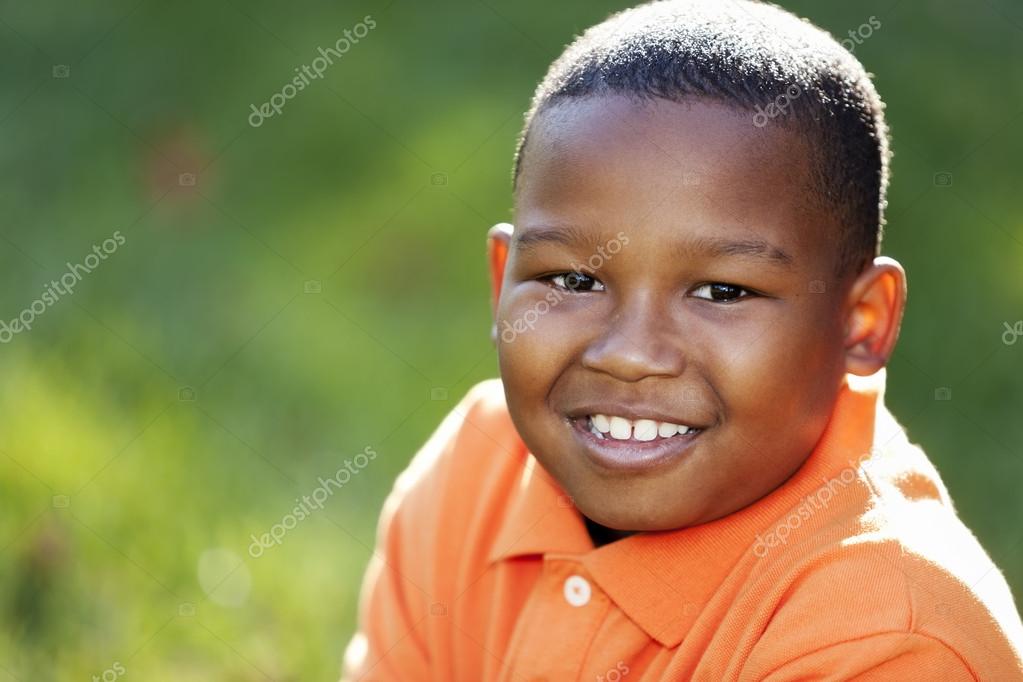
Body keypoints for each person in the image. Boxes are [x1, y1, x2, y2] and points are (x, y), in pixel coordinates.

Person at [342, 1, 1023, 678]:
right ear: (502, 284)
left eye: (721, 292)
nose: (629, 353)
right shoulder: (477, 468)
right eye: (573, 280)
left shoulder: (886, 638)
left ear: (862, 321)